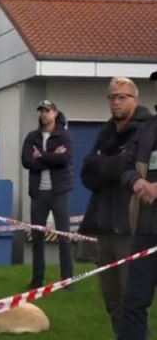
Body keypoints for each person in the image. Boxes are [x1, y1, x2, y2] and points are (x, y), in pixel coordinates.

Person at [77, 77, 151, 338]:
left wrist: (104, 164)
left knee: (130, 301)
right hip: (103, 225)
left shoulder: (145, 129)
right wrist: (112, 164)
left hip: (130, 225)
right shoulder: (107, 132)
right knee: (112, 301)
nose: (116, 102)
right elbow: (87, 174)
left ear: (135, 99)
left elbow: (126, 167)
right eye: (112, 97)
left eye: (122, 97)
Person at [117, 71, 157, 340]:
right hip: (146, 228)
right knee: (132, 304)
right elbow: (125, 164)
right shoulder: (148, 127)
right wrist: (135, 183)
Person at [21, 100, 74, 290]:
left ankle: (67, 281)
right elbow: (26, 161)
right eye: (42, 111)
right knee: (37, 237)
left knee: (64, 237)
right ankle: (37, 280)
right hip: (38, 194)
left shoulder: (64, 136)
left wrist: (42, 156)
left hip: (59, 192)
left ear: (55, 113)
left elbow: (66, 160)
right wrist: (52, 157)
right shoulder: (32, 137)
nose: (44, 114)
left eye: (47, 111)